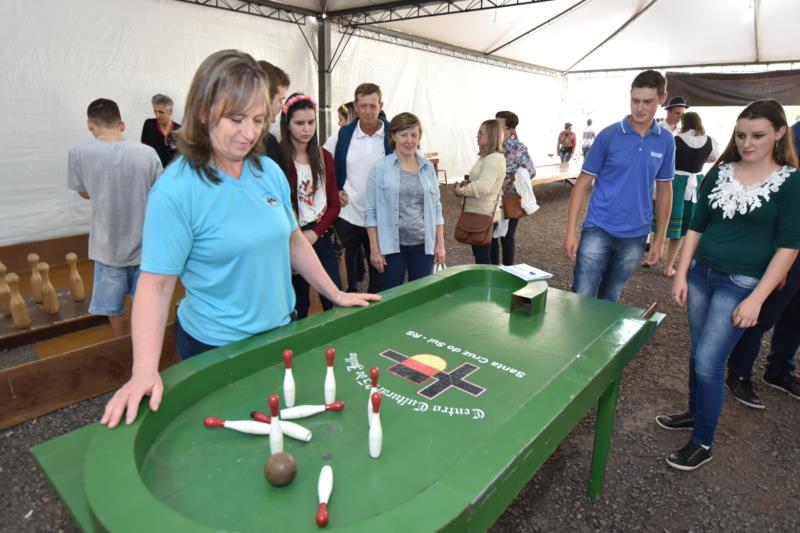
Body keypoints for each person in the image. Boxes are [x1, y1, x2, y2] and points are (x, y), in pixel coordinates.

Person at [100, 50, 379, 428]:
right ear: (203, 112)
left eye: (258, 119)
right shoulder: (176, 189)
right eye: (236, 118)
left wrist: (337, 293)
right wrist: (144, 370)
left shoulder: (268, 171)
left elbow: (293, 241)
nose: (249, 132)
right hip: (215, 348)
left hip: (281, 333)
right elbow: (156, 284)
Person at [657, 99, 800, 471]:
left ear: (780, 133)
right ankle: (694, 412)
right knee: (697, 353)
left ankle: (703, 441)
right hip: (702, 274)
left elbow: (789, 246)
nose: (747, 143)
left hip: (742, 284)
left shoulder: (790, 182)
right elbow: (696, 225)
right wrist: (682, 271)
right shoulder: (720, 172)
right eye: (741, 135)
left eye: (758, 135)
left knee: (708, 361)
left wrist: (757, 298)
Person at [563, 70, 674, 302]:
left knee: (610, 298)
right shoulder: (609, 135)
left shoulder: (665, 140)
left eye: (647, 102)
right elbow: (582, 184)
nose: (640, 108)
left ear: (661, 99)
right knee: (581, 297)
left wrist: (659, 239)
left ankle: (600, 338)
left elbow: (665, 190)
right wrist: (570, 231)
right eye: (635, 101)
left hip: (635, 235)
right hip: (598, 228)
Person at [68, 98, 163, 337]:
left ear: (90, 124)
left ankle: (123, 347)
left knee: (114, 309)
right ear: (122, 124)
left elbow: (83, 192)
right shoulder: (147, 153)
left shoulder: (78, 152)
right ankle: (148, 350)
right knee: (148, 305)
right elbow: (160, 194)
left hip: (107, 248)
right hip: (146, 247)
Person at [724, 118, 800, 407]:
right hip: (788, 247)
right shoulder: (794, 135)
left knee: (796, 315)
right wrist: (778, 261)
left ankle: (779, 369)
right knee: (761, 315)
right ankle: (739, 373)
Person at [277, 93, 342, 318]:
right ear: (287, 124)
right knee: (298, 305)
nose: (306, 128)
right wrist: (296, 239)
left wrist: (316, 233)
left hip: (320, 235)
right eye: (299, 123)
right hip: (289, 239)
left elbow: (334, 205)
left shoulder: (324, 156)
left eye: (311, 122)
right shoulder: (277, 159)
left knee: (333, 297)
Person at [365, 113, 445, 290]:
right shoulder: (380, 169)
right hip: (392, 247)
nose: (409, 140)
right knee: (391, 296)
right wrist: (375, 249)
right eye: (404, 135)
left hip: (423, 246)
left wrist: (440, 245)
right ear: (393, 136)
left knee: (422, 296)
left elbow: (437, 208)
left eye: (414, 135)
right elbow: (370, 213)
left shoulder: (428, 169)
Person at [331, 83, 392, 294]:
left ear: (380, 105)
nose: (368, 111)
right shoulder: (343, 134)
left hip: (382, 218)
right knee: (344, 271)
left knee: (381, 271)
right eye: (363, 105)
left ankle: (378, 315)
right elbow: (320, 161)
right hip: (348, 215)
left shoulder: (393, 135)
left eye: (372, 106)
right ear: (355, 106)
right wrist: (334, 190)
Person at [658, 111, 719, 277]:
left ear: (684, 122)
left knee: (662, 217)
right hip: (696, 183)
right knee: (685, 228)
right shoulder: (709, 141)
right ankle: (669, 267)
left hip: (675, 180)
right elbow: (713, 158)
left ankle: (653, 256)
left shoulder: (675, 139)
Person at [453, 119, 506, 265]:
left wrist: (462, 190)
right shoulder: (488, 157)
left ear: (491, 136)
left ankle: (486, 285)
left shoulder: (493, 158)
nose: (477, 136)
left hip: (483, 214)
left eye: (480, 133)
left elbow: (483, 186)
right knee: (486, 253)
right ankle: (490, 284)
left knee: (482, 257)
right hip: (483, 213)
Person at [492, 110, 536, 266]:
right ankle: (493, 269)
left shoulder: (519, 148)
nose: (496, 129)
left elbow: (531, 171)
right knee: (492, 236)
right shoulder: (493, 146)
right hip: (492, 199)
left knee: (507, 236)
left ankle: (508, 270)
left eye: (500, 126)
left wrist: (510, 178)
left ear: (511, 129)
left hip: (510, 199)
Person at [257, 60, 290, 162]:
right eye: (280, 100)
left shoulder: (270, 142)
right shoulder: (268, 143)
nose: (282, 106)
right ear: (266, 98)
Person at [140, 94, 181, 168]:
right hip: (152, 170)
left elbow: (180, 157)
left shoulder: (178, 129)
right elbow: (143, 150)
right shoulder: (149, 124)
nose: (157, 115)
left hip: (171, 173)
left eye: (161, 112)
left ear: (170, 112)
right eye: (155, 111)